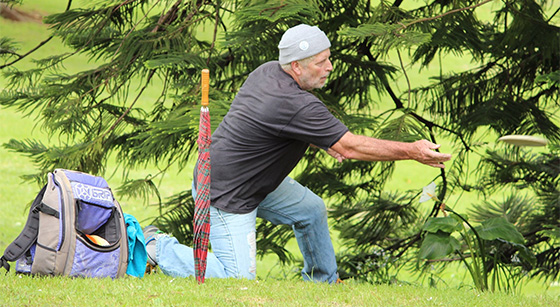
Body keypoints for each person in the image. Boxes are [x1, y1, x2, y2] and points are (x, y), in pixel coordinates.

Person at [144, 24, 452, 283]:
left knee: (310, 210)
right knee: (235, 280)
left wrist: (323, 140)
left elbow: (279, 125)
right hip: (225, 191)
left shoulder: (267, 73)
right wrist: (412, 151)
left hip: (251, 180)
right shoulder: (296, 104)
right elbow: (349, 145)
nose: (329, 68)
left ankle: (323, 284)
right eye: (320, 62)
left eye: (328, 59)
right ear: (296, 66)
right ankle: (156, 246)